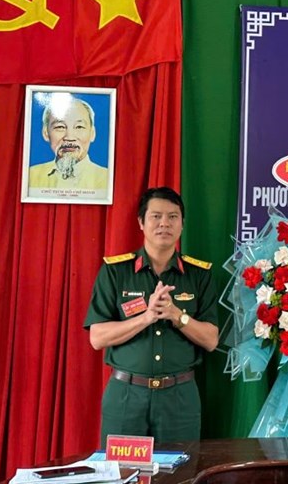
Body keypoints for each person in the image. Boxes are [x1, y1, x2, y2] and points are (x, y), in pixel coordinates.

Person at [84, 187, 219, 444]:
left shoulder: (199, 275)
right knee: (121, 475)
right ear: (141, 223)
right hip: (126, 396)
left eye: (173, 217)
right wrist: (146, 317)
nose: (164, 224)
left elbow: (211, 340)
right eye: (156, 216)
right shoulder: (115, 272)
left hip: (180, 399)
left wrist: (177, 315)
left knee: (180, 475)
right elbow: (97, 338)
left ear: (182, 225)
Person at [28, 94, 108, 189]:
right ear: (45, 133)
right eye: (60, 127)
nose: (69, 137)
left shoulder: (107, 179)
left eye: (79, 127)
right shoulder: (30, 176)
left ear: (92, 133)